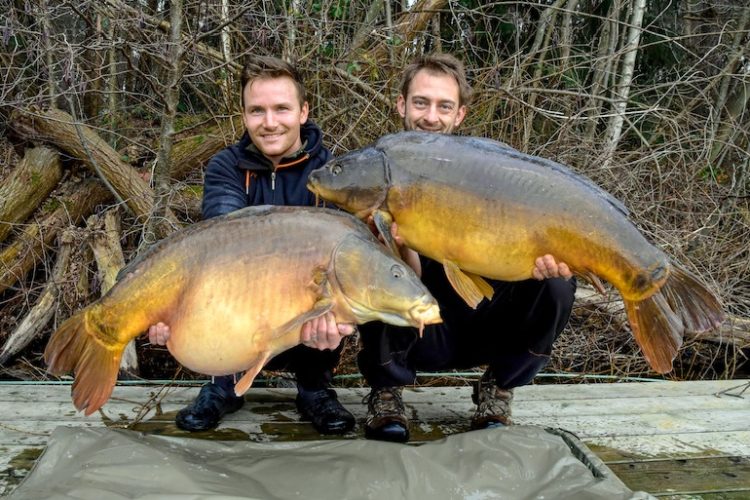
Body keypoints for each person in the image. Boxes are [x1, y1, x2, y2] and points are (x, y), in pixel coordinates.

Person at [356, 54, 577, 443]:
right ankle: (386, 392)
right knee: (372, 269)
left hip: (482, 322)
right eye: (421, 102)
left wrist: (543, 261)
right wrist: (395, 245)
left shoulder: (487, 170)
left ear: (459, 115)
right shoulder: (376, 173)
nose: (430, 116)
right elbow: (396, 281)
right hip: (420, 332)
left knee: (558, 286)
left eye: (444, 106)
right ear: (401, 104)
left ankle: (498, 388)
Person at [147, 55, 356, 435]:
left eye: (281, 109)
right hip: (240, 307)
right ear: (244, 116)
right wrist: (167, 310)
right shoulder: (226, 166)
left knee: (332, 283)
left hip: (304, 320)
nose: (270, 122)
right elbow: (223, 241)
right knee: (221, 276)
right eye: (257, 111)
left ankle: (315, 387)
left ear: (303, 111)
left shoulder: (333, 171)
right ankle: (222, 384)